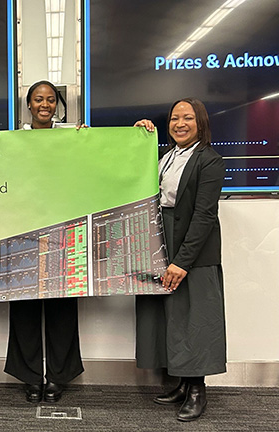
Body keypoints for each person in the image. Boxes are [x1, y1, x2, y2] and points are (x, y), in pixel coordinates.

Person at [134, 98, 226, 422]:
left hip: (193, 248)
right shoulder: (167, 156)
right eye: (175, 118)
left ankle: (198, 390)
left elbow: (204, 216)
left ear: (200, 122)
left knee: (194, 317)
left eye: (188, 118)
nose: (180, 123)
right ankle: (183, 383)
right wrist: (139, 137)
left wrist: (182, 262)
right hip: (163, 239)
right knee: (172, 316)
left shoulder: (210, 161)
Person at [4, 80, 84, 403]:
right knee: (23, 307)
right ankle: (31, 377)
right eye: (38, 99)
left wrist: (87, 142)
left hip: (62, 232)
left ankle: (59, 377)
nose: (45, 105)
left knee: (62, 306)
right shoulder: (11, 140)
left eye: (51, 100)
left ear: (57, 105)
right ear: (29, 104)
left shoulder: (71, 138)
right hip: (22, 233)